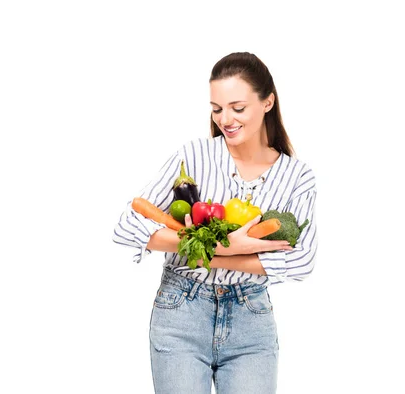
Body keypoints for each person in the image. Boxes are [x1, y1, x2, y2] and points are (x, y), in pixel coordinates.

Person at [112, 52, 318, 394]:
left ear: (268, 102)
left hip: (250, 319)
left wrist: (217, 255)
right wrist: (218, 245)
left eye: (238, 108)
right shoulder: (193, 156)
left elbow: (300, 260)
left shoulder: (297, 176)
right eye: (217, 108)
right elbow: (128, 226)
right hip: (181, 311)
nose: (226, 119)